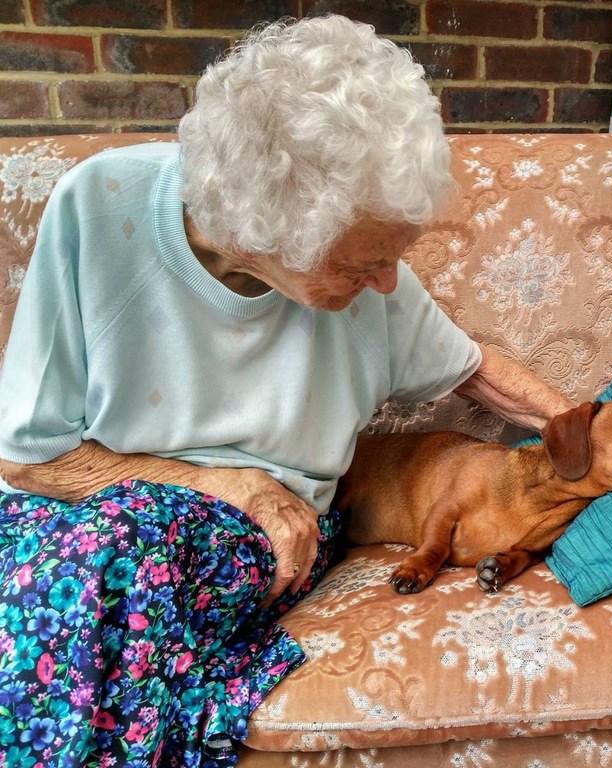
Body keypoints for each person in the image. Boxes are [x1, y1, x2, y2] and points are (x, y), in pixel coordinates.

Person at [0, 15, 576, 767]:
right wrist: (226, 482)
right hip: (84, 514)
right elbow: (27, 460)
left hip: (248, 540)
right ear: (266, 231)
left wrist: (588, 431)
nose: (388, 282)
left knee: (118, 563)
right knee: (83, 562)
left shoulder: (374, 287)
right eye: (363, 261)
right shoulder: (97, 211)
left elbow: (477, 371)